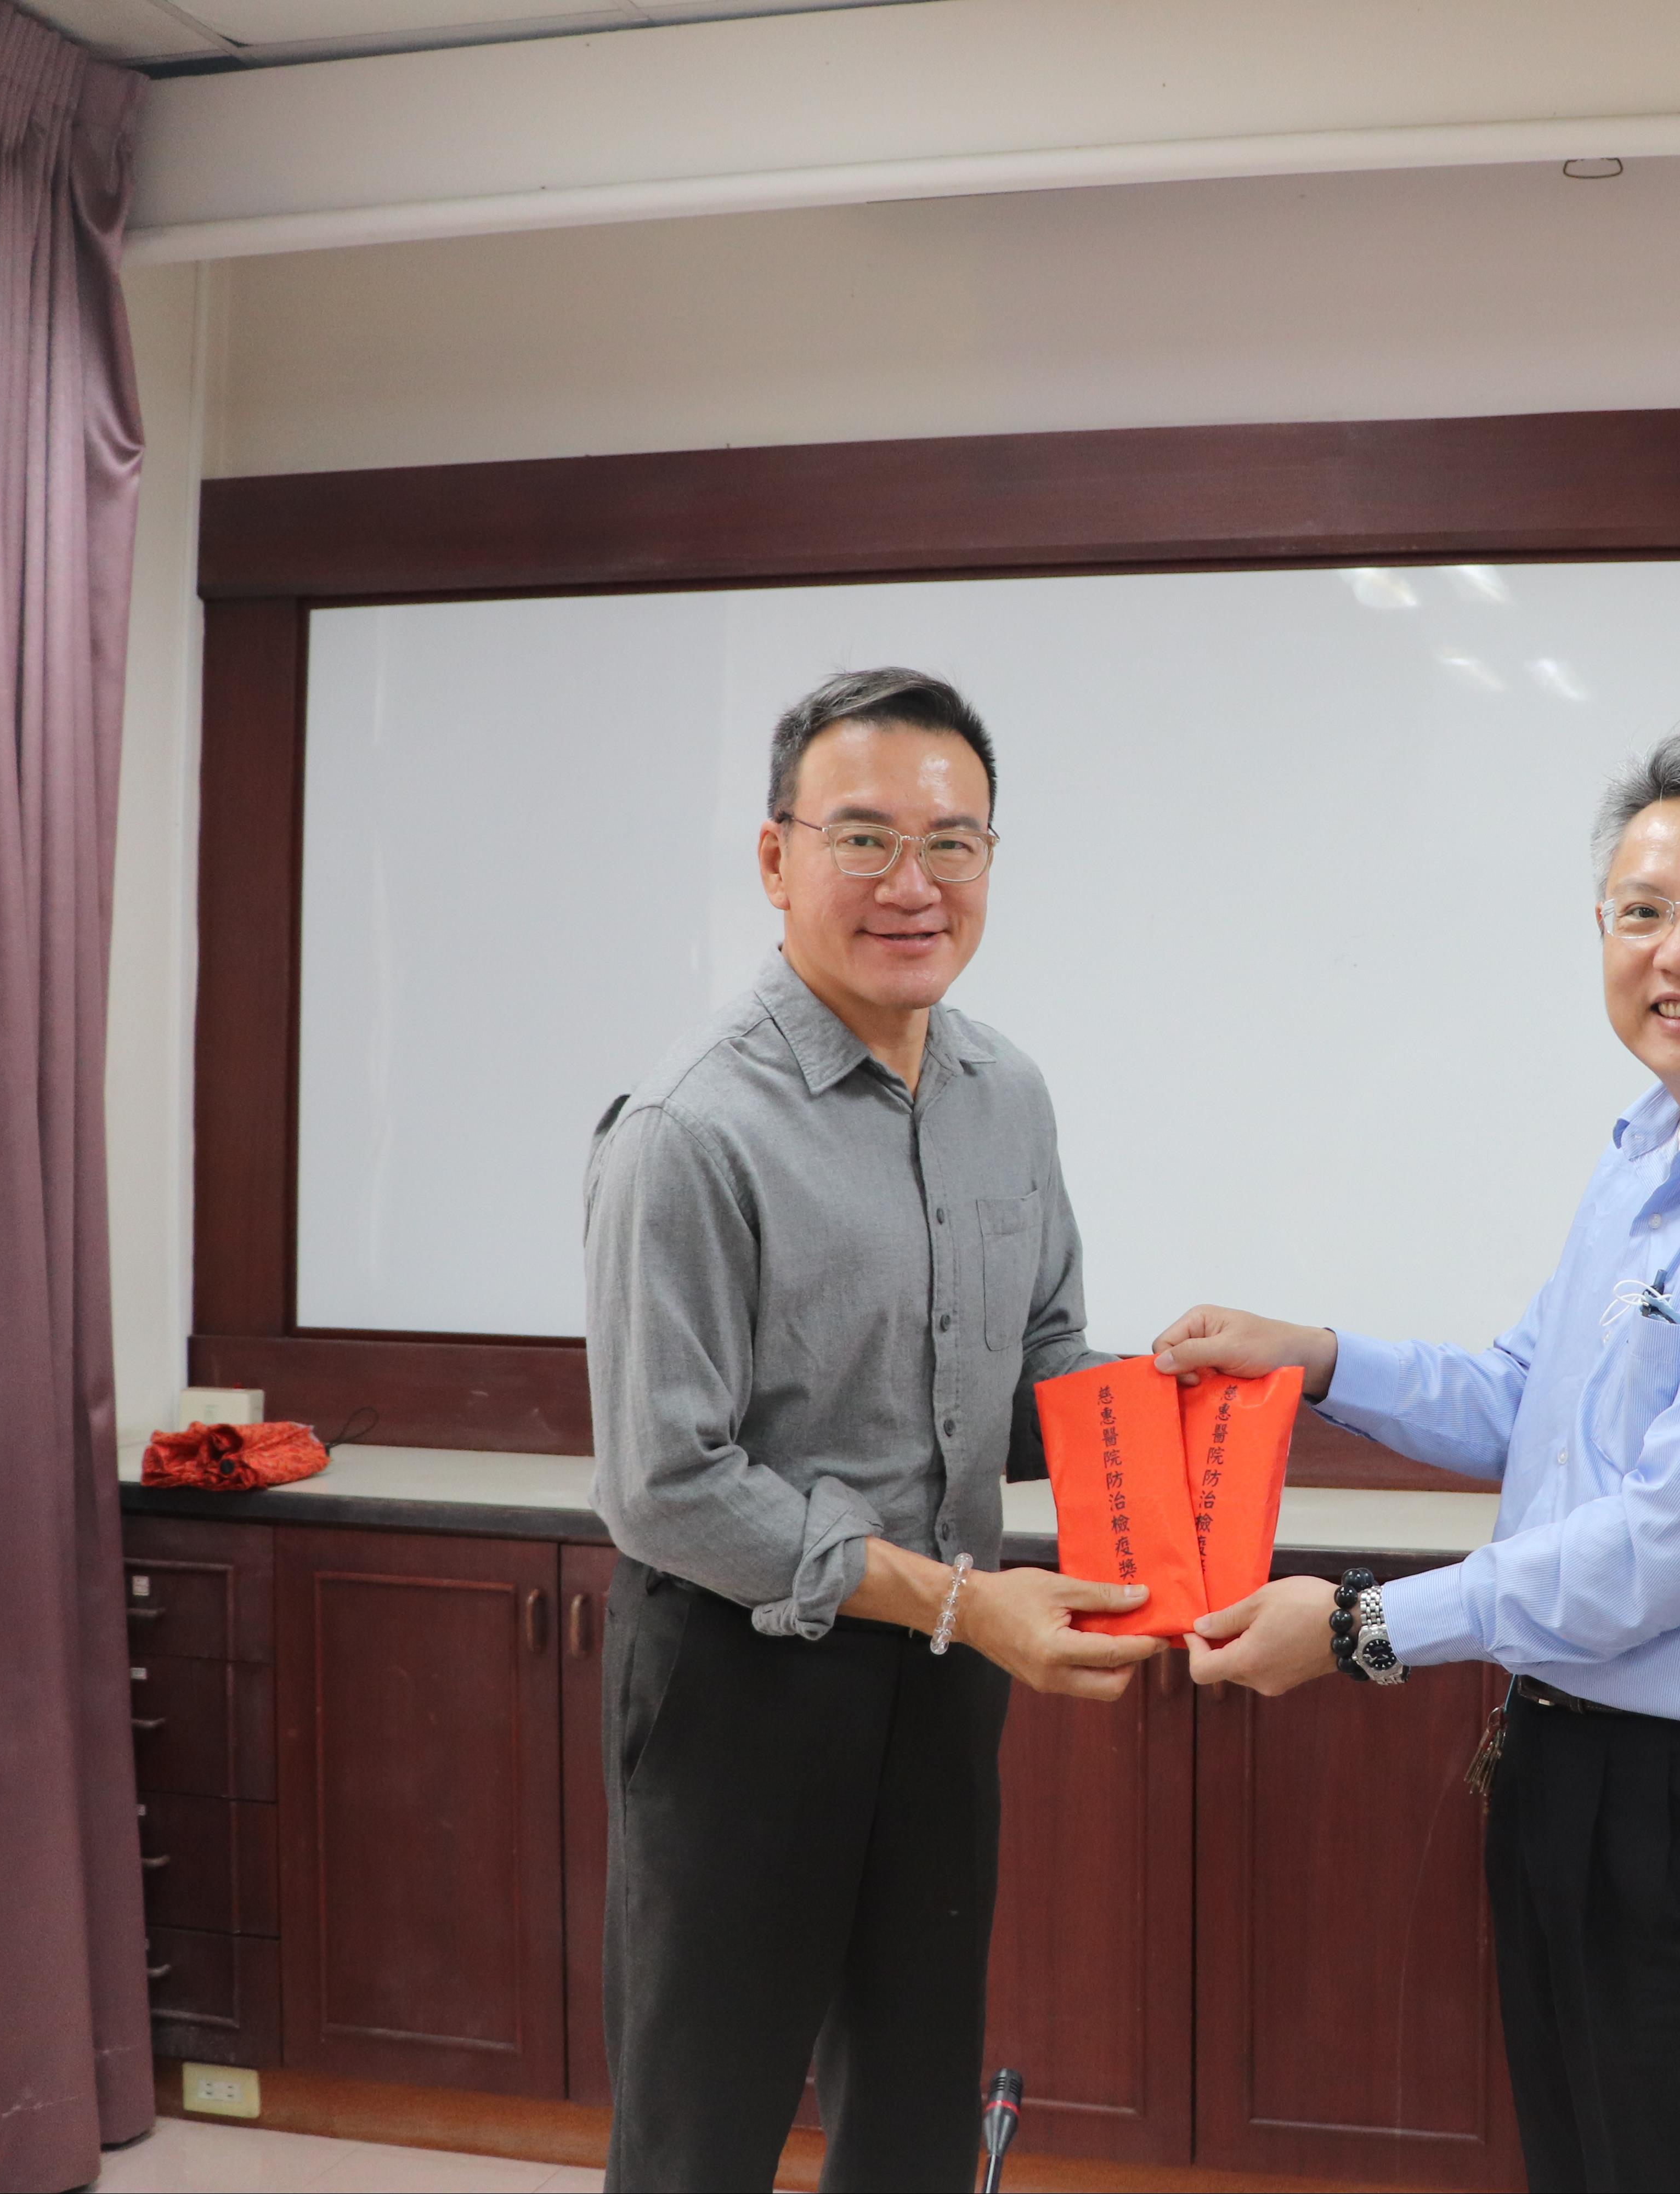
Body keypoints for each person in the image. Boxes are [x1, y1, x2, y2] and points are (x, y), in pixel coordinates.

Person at [1157, 725, 1680, 2194]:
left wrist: (1356, 1629)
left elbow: (1672, 1543)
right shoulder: (1653, 1146)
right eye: (1641, 910)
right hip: (1571, 1769)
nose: (1679, 952)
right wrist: (1318, 1361)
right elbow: (1527, 1403)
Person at [584, 668, 1158, 2192]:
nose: (916, 884)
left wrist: (1186, 1418)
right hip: (740, 1677)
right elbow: (667, 1485)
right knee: (704, 2129)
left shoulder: (1005, 1095)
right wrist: (963, 1602)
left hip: (946, 1673)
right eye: (866, 839)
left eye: (954, 843)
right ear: (777, 859)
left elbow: (1031, 1373)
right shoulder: (689, 1129)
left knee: (913, 2106)